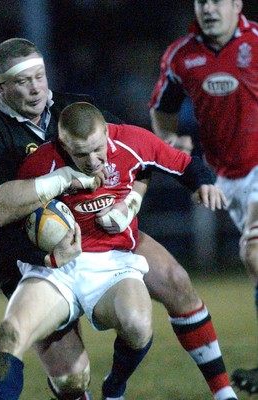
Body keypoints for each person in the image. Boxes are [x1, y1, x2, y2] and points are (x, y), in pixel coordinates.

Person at [0, 38, 238, 400]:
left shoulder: (77, 109)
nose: (35, 89)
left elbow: (135, 157)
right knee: (70, 378)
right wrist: (49, 243)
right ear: (1, 87)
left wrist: (130, 206)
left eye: (39, 76)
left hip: (108, 238)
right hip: (35, 252)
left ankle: (222, 393)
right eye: (22, 82)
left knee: (174, 282)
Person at [148, 0, 258, 394]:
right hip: (225, 177)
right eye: (202, 1)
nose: (209, 7)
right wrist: (169, 140)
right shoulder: (181, 56)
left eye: (218, 0)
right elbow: (162, 112)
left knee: (253, 253)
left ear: (237, 4)